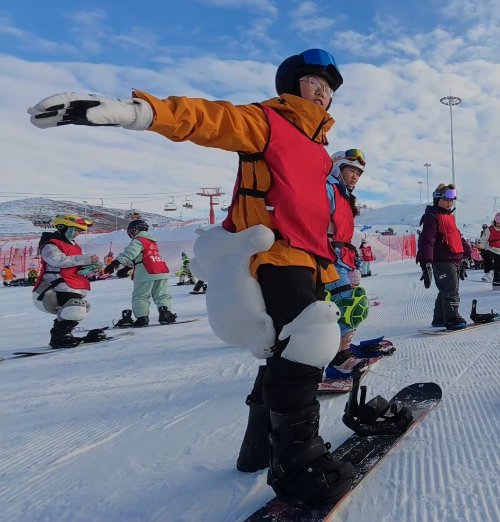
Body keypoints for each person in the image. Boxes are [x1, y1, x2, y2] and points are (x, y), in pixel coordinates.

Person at [29, 48, 357, 507]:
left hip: (309, 260)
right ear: (291, 85)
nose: (323, 91)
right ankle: (298, 463)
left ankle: (257, 447)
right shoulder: (269, 122)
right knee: (310, 342)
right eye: (313, 81)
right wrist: (138, 111)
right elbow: (208, 119)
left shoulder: (320, 152)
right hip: (275, 254)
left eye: (329, 87)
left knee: (280, 349)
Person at [321, 150, 372, 383]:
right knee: (347, 307)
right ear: (338, 168)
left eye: (359, 173)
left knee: (351, 305)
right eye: (351, 170)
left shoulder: (343, 195)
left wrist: (353, 261)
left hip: (343, 260)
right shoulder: (327, 188)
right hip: (329, 259)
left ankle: (343, 351)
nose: (355, 177)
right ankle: (338, 360)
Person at [31, 214, 102, 348]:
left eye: (78, 231)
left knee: (82, 307)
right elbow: (57, 260)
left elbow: (75, 266)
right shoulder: (51, 244)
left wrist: (88, 267)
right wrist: (85, 259)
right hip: (55, 287)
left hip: (73, 285)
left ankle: (63, 334)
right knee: (75, 307)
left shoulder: (74, 246)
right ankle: (60, 336)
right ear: (62, 227)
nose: (76, 234)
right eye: (74, 230)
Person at [105, 219, 177, 327]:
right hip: (161, 269)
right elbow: (142, 256)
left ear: (134, 230)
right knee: (161, 294)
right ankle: (165, 314)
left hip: (146, 271)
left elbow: (130, 253)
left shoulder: (138, 240)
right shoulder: (151, 241)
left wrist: (114, 264)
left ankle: (142, 318)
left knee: (141, 296)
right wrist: (127, 268)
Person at [417, 184, 468, 330]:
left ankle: (439, 318)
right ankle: (452, 318)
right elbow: (426, 239)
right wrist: (425, 261)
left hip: (453, 258)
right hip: (442, 258)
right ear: (437, 199)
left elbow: (456, 236)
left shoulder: (449, 217)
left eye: (451, 200)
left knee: (446, 289)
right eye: (446, 199)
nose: (449, 202)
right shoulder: (432, 216)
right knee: (451, 289)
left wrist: (465, 255)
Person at [479, 213, 500, 289]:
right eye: (498, 223)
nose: (499, 225)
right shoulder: (489, 230)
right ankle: (488, 273)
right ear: (495, 222)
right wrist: (482, 249)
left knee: (499, 267)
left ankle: (496, 284)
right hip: (490, 248)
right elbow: (483, 240)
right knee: (488, 257)